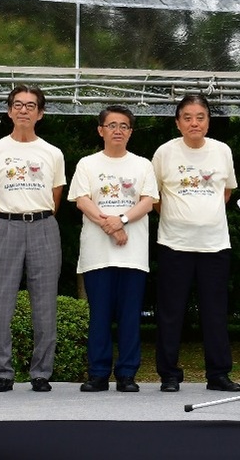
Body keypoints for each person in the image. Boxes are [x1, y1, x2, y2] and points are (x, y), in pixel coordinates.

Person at [153, 94, 240, 393]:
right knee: (171, 312)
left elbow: (226, 192)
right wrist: (180, 216)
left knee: (215, 312)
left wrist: (204, 215)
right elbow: (153, 195)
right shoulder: (164, 152)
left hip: (215, 245)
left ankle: (218, 374)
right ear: (178, 123)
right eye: (187, 117)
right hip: (173, 244)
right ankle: (169, 374)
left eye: (200, 117)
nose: (194, 123)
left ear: (208, 121)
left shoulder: (222, 151)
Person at [0, 85, 65, 393]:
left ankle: (41, 373)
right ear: (9, 111)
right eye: (17, 105)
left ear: (40, 113)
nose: (23, 110)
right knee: (0, 303)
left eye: (30, 106)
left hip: (43, 225)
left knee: (45, 304)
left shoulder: (52, 153)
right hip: (5, 225)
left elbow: (55, 196)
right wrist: (6, 223)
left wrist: (36, 218)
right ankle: (2, 373)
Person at [69, 105, 158, 393]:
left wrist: (121, 221)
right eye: (112, 125)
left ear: (130, 132)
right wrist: (111, 226)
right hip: (97, 254)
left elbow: (148, 202)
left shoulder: (143, 165)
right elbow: (82, 200)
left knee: (130, 316)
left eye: (124, 126)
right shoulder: (87, 164)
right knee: (100, 316)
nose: (117, 130)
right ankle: (98, 373)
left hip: (133, 254)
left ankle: (127, 374)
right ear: (101, 130)